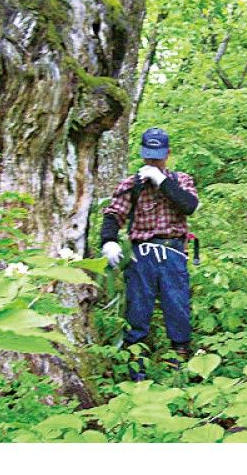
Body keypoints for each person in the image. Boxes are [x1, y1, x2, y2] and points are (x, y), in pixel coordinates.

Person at [100, 127, 199, 379]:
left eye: (157, 155)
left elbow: (189, 206)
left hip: (173, 252)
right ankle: (136, 371)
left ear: (167, 153)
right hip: (141, 254)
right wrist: (109, 240)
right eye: (148, 155)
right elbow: (114, 213)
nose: (152, 160)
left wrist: (161, 181)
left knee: (177, 307)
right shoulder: (132, 184)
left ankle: (179, 366)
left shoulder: (181, 181)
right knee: (138, 309)